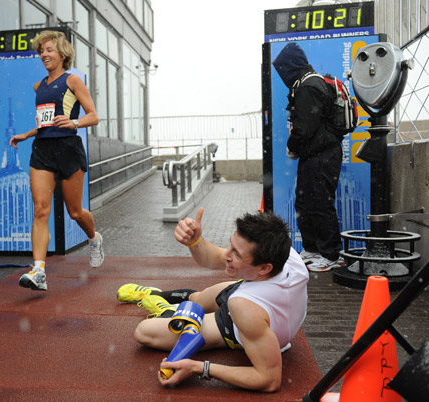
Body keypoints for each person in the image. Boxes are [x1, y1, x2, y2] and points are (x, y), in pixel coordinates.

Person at [116, 208, 309, 391]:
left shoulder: (244, 307)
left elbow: (270, 380)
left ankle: (166, 310)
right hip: (249, 294)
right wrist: (195, 242)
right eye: (231, 245)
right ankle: (155, 293)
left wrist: (199, 368)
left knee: (144, 332)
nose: (226, 254)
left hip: (243, 320)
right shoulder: (287, 256)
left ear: (264, 268)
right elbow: (215, 257)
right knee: (197, 298)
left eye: (236, 253)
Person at [10, 30, 104, 291]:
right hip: (42, 150)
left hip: (68, 149)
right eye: (41, 51)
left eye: (49, 50)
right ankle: (39, 271)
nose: (44, 54)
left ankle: (94, 239)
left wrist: (74, 122)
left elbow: (93, 116)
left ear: (62, 54)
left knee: (75, 212)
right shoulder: (38, 87)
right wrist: (27, 134)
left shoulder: (72, 80)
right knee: (41, 209)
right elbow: (46, 123)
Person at [272, 42, 345, 272]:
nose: (282, 74)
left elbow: (304, 128)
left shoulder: (308, 86)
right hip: (317, 154)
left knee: (320, 204)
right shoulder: (310, 82)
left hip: (322, 155)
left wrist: (292, 146)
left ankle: (332, 255)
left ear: (290, 66)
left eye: (283, 69)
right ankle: (313, 249)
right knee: (306, 203)